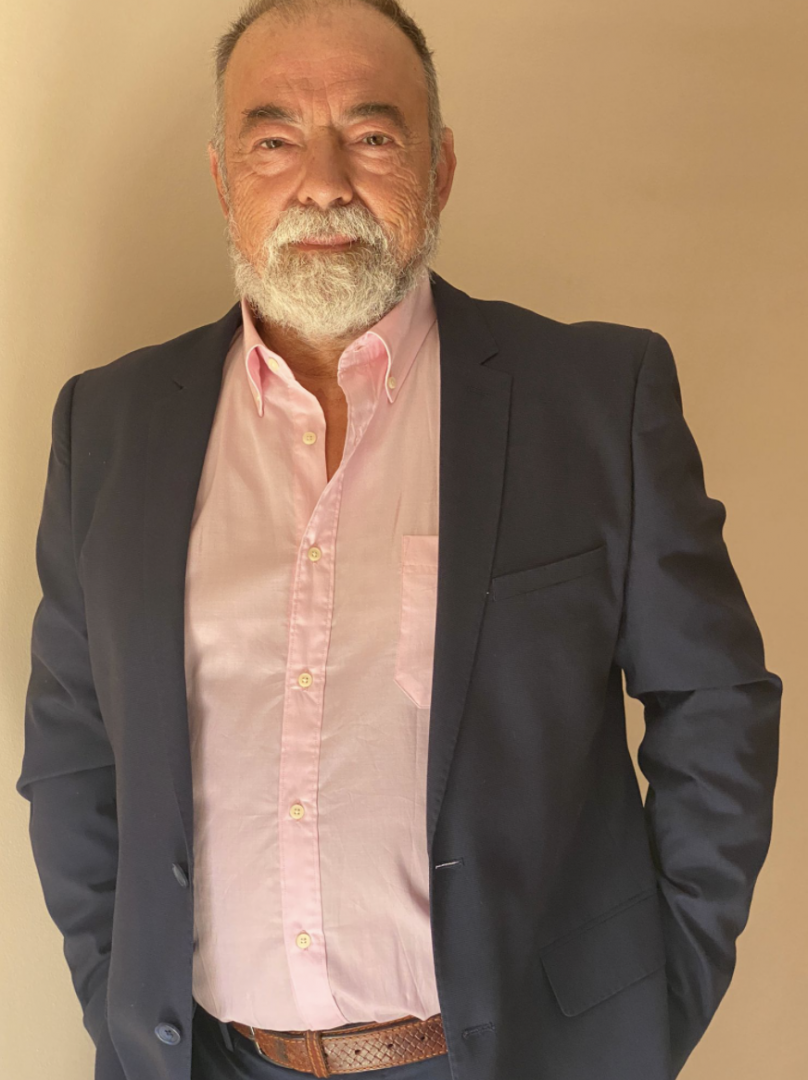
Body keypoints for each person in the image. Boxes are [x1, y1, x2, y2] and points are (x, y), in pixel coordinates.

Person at [16, 1, 782, 1079]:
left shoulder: (594, 399)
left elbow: (714, 703)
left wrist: (652, 1005)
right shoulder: (108, 426)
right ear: (224, 178)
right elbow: (73, 748)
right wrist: (117, 1001)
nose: (323, 182)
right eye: (274, 141)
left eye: (372, 136)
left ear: (439, 168)